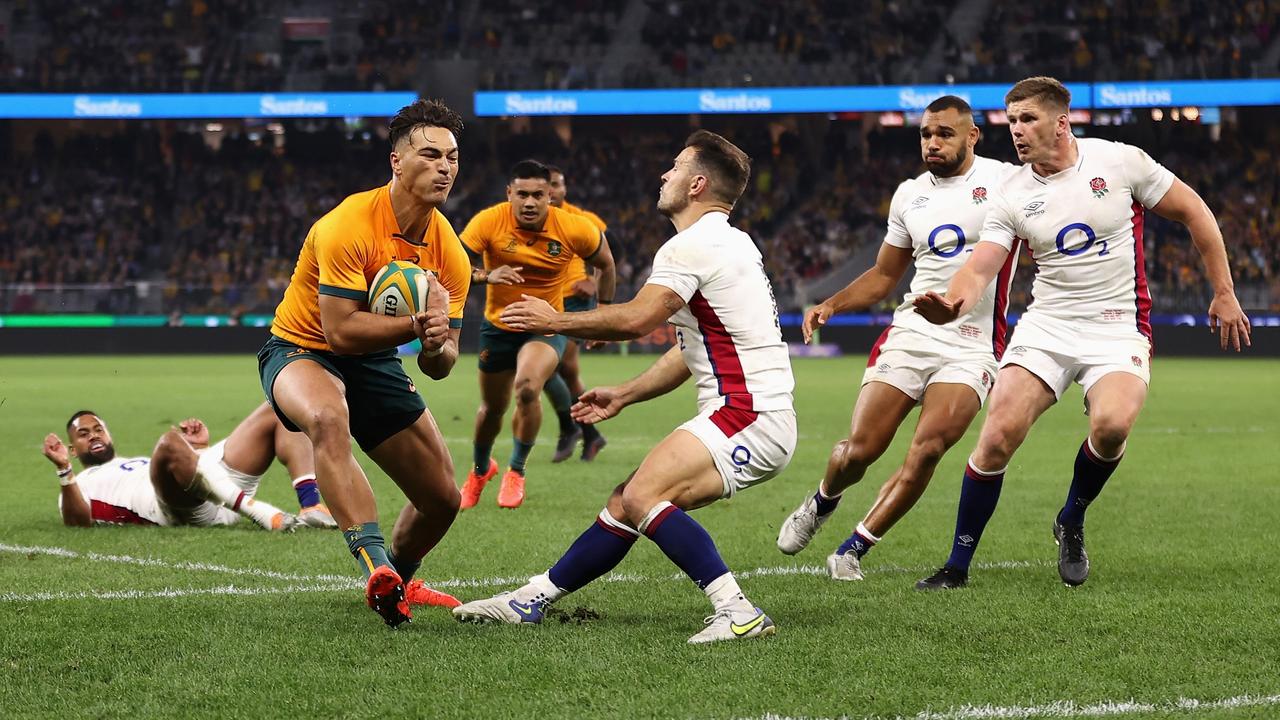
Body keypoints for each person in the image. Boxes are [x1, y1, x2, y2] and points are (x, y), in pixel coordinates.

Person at [455, 130, 796, 644]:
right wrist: (627, 393)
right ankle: (531, 600)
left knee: (641, 495)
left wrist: (557, 319)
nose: (665, 175)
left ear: (697, 183)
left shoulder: (692, 245)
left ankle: (737, 611)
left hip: (747, 412)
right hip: (757, 414)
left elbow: (637, 319)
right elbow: (690, 349)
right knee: (626, 502)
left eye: (676, 167)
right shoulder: (734, 241)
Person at [912, 77, 1252, 590]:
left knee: (1112, 427)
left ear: (1061, 122)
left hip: (1117, 325)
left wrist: (1223, 291)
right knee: (998, 436)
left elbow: (1194, 212)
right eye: (1012, 122)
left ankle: (1071, 516)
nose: (1017, 132)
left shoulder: (1119, 162)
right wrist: (953, 301)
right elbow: (981, 265)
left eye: (1027, 120)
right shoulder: (1010, 192)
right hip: (1047, 325)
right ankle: (956, 566)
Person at [775, 95, 1019, 581]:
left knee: (927, 449)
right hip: (911, 333)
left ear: (972, 136)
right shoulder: (909, 194)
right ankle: (823, 500)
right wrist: (831, 303)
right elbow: (885, 274)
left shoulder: (1006, 181)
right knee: (859, 452)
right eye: (926, 134)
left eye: (945, 133)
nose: (932, 142)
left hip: (972, 343)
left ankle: (852, 549)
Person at [258, 99, 471, 626]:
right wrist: (418, 326)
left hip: (373, 360)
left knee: (443, 498)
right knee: (329, 419)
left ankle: (396, 580)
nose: (444, 166)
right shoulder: (348, 223)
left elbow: (442, 365)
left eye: (452, 157)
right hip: (301, 348)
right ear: (396, 162)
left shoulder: (451, 254)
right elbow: (341, 330)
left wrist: (437, 343)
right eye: (430, 154)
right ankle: (374, 564)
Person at [458, 159, 616, 510]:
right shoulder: (488, 221)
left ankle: (516, 471)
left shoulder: (575, 227)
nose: (530, 202)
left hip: (546, 326)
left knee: (528, 387)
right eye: (523, 194)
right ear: (509, 194)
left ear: (550, 196)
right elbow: (451, 266)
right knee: (493, 408)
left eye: (538, 195)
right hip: (498, 327)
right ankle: (481, 469)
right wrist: (487, 276)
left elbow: (606, 262)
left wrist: (603, 312)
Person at [41, 405, 316, 530]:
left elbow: (194, 473)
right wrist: (65, 470)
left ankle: (311, 505)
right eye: (84, 434)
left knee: (279, 407)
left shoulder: (127, 462)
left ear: (110, 435)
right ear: (72, 450)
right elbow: (77, 521)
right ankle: (258, 512)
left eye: (99, 429)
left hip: (216, 490)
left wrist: (199, 451)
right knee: (170, 442)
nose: (94, 435)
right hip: (182, 509)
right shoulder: (80, 483)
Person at [541, 164, 609, 463]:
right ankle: (591, 435)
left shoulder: (581, 220)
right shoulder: (529, 219)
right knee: (566, 374)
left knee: (548, 369)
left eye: (558, 184)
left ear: (564, 188)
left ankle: (571, 429)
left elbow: (609, 256)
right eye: (549, 185)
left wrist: (592, 281)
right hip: (546, 303)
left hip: (574, 303)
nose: (553, 190)